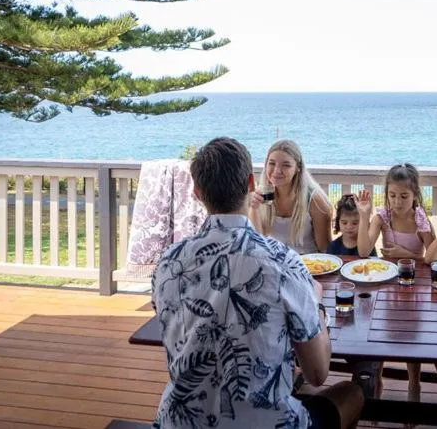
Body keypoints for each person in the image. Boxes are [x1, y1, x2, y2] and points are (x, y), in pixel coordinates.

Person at [152, 137, 363, 429]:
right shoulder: (284, 262)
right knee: (351, 393)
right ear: (252, 182)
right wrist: (315, 303)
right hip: (265, 423)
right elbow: (317, 373)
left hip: (179, 422)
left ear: (198, 192)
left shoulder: (168, 263)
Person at [356, 164, 437, 403]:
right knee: (380, 338)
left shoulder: (419, 218)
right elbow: (363, 250)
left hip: (415, 288)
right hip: (387, 287)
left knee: (413, 341)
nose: (397, 202)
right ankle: (375, 392)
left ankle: (414, 385)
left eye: (404, 196)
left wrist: (404, 254)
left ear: (415, 196)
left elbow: (432, 257)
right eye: (392, 195)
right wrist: (365, 215)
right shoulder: (382, 217)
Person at [249, 139, 333, 254]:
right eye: (272, 163)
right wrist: (254, 209)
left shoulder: (315, 201)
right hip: (274, 264)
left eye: (286, 165)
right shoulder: (261, 196)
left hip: (307, 265)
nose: (277, 171)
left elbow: (325, 249)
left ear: (297, 168)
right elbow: (258, 243)